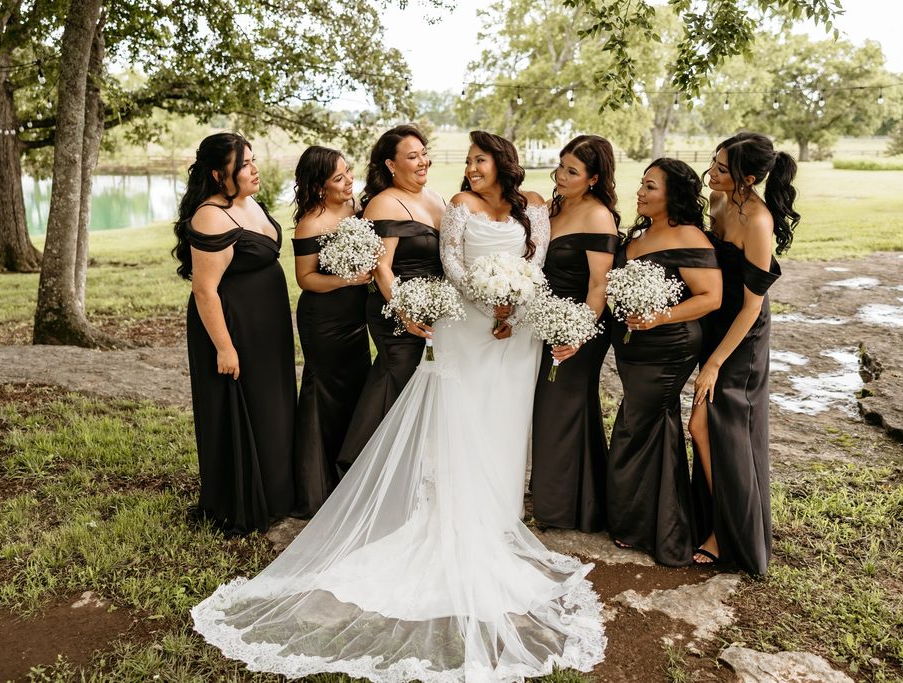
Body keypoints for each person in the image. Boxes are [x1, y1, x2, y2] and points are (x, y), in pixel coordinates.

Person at [191, 130, 606, 682]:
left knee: (496, 420)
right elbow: (435, 263)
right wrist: (436, 303)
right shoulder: (425, 204)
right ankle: (377, 489)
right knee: (426, 403)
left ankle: (492, 508)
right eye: (414, 156)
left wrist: (519, 299)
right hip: (441, 318)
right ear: (389, 164)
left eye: (471, 158)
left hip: (505, 327)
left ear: (501, 164)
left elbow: (535, 254)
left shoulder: (489, 204)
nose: (438, 163)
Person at [173, 132, 296, 536]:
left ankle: (278, 493)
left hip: (266, 327)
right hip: (233, 328)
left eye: (253, 160)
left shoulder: (247, 202)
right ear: (217, 173)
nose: (254, 169)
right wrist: (225, 348)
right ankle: (241, 501)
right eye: (244, 165)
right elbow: (204, 290)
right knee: (244, 406)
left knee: (272, 405)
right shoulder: (211, 215)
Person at [688, 132, 799, 575]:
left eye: (720, 169)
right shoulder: (717, 203)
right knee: (716, 430)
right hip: (716, 321)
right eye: (712, 164)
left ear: (747, 178)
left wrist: (714, 363)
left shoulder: (758, 221)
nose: (710, 174)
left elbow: (753, 305)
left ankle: (727, 531)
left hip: (743, 335)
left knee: (705, 423)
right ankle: (716, 519)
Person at [606, 158, 721, 566]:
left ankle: (662, 527)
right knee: (641, 425)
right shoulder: (640, 234)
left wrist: (659, 316)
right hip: (633, 349)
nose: (640, 191)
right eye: (642, 184)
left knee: (641, 425)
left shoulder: (689, 236)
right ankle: (637, 521)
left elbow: (711, 297)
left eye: (650, 186)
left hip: (669, 347)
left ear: (673, 194)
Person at [335, 125, 445, 476]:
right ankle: (365, 472)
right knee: (396, 382)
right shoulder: (385, 203)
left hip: (433, 310)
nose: (422, 161)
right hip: (396, 311)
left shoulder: (436, 199)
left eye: (423, 153)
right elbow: (382, 267)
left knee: (424, 388)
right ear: (391, 165)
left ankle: (414, 469)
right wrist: (405, 312)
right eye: (412, 157)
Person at [530, 134, 620, 533]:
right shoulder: (554, 206)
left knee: (559, 410)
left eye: (573, 171)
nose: (561, 176)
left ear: (594, 178)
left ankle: (560, 509)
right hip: (547, 321)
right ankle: (572, 499)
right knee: (553, 411)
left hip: (581, 324)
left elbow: (599, 286)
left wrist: (578, 333)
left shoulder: (598, 215)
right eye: (561, 166)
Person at [289, 146, 371, 517]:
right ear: (319, 187)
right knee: (324, 394)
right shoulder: (311, 222)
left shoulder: (358, 208)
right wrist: (346, 279)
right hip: (324, 320)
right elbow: (305, 278)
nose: (349, 179)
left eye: (348, 171)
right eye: (339, 178)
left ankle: (349, 477)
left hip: (356, 320)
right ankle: (315, 489)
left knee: (357, 390)